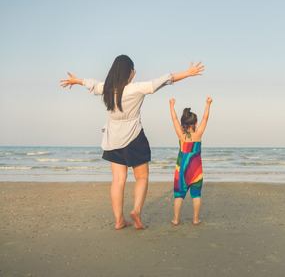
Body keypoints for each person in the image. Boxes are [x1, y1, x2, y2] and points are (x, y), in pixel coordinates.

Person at [60, 55, 205, 230]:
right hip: (135, 138)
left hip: (112, 139)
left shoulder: (106, 89)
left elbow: (92, 83)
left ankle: (119, 220)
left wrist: (76, 81)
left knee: (118, 180)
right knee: (142, 177)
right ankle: (136, 210)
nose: (134, 73)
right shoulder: (136, 88)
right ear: (129, 71)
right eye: (133, 70)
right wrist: (188, 73)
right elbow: (166, 79)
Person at [169, 97, 212, 225]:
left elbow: (174, 119)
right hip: (196, 170)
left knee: (179, 196)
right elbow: (206, 119)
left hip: (181, 170)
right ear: (195, 124)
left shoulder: (181, 135)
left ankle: (176, 219)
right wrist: (208, 104)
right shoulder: (198, 134)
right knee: (196, 195)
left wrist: (171, 105)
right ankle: (195, 219)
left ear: (183, 124)